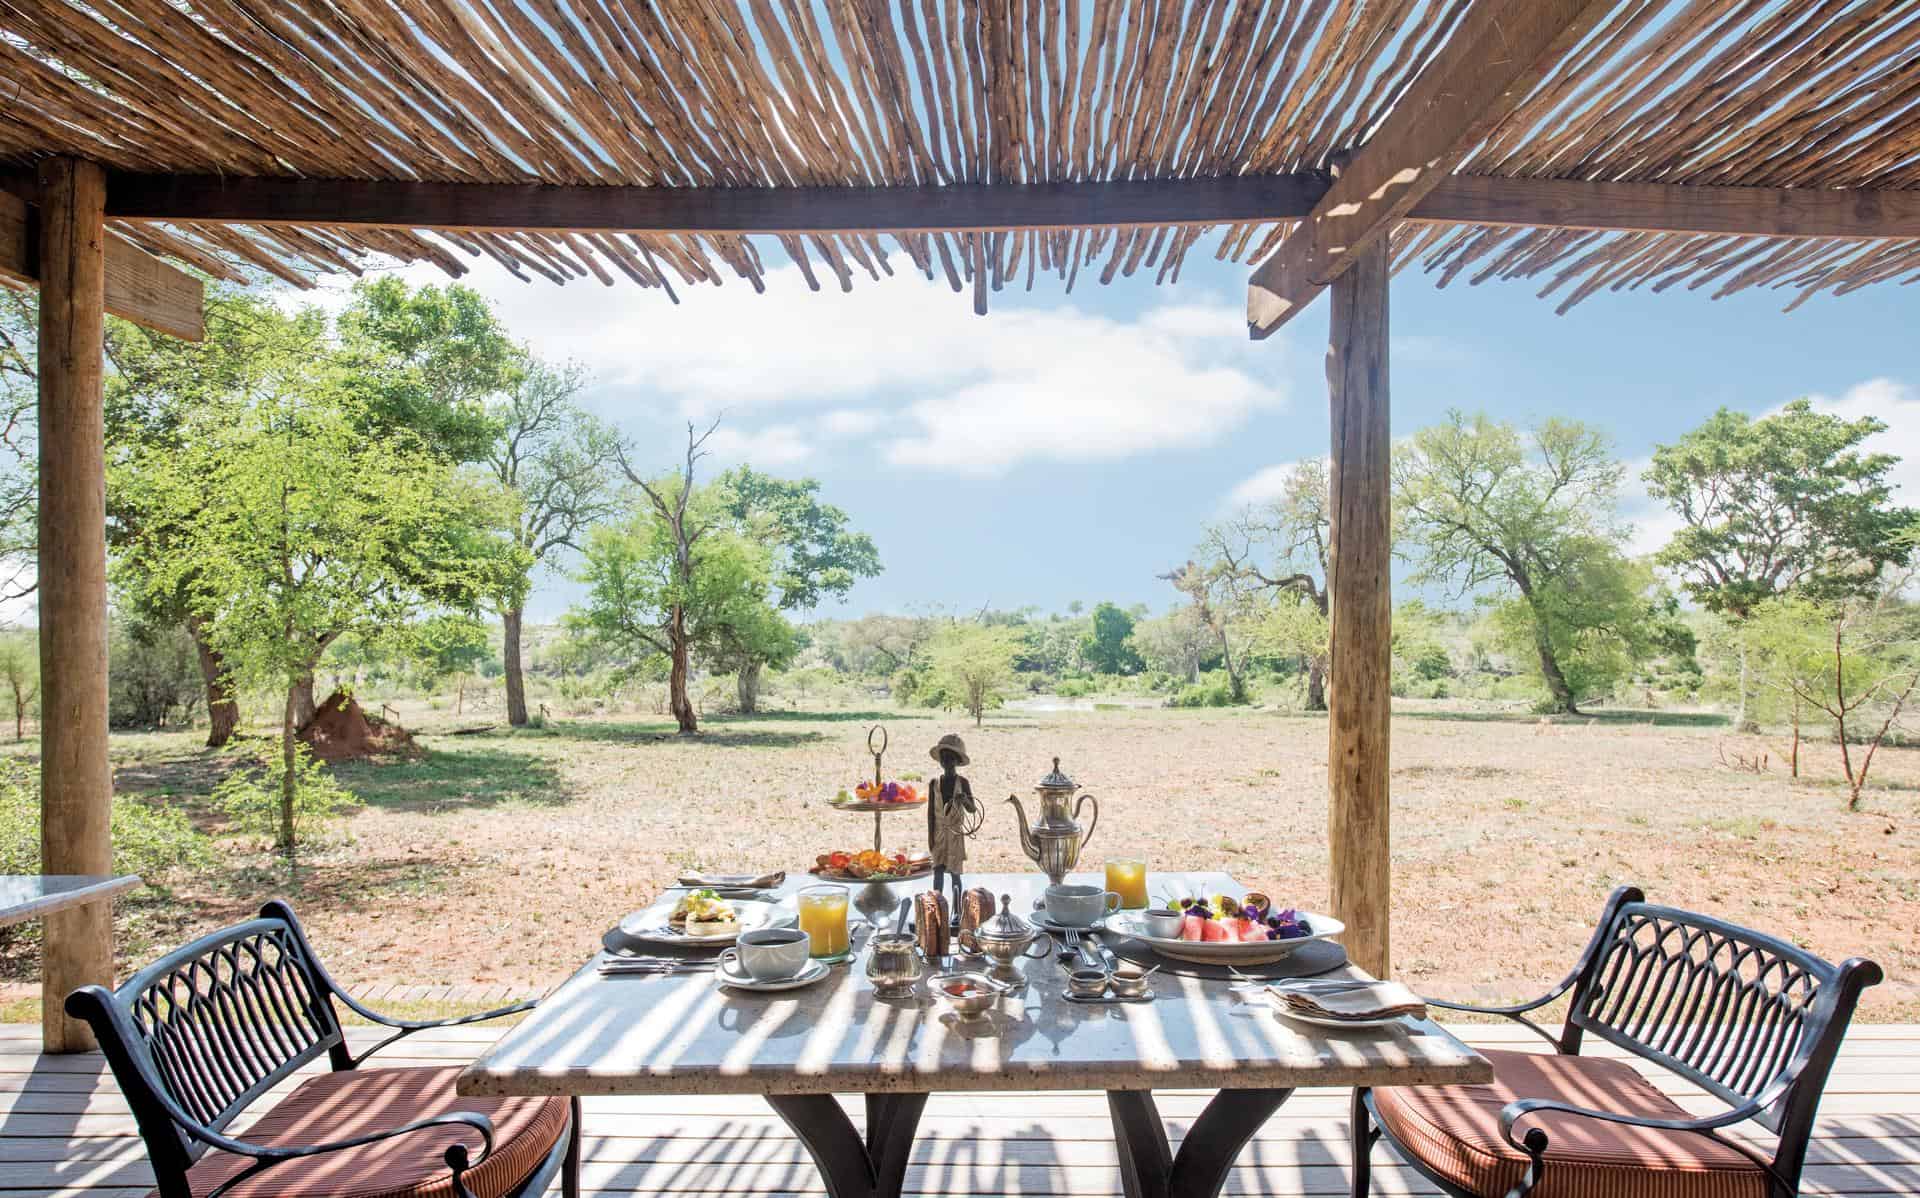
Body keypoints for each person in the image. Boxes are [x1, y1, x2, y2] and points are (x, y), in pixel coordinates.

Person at [927, 733, 980, 918]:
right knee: (938, 870)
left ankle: (957, 911)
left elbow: (973, 809)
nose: (946, 761)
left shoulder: (962, 783)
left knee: (955, 873)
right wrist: (930, 839)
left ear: (957, 761)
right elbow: (930, 815)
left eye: (950, 758)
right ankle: (935, 907)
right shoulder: (934, 783)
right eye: (944, 758)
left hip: (956, 834)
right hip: (939, 834)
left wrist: (964, 799)